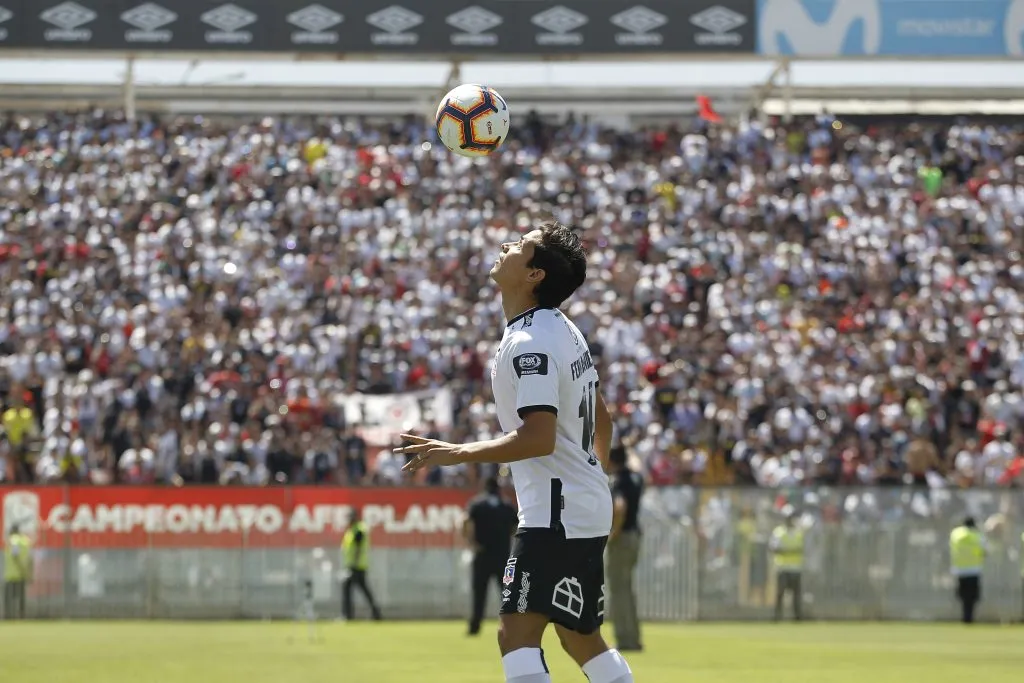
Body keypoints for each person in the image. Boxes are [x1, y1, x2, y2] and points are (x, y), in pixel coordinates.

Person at [398, 222, 635, 683]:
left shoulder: (532, 342)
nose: (507, 246)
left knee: (516, 635)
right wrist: (587, 480)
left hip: (555, 514)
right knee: (579, 636)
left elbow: (539, 437)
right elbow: (601, 418)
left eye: (521, 246)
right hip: (578, 506)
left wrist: (456, 452)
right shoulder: (563, 329)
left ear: (534, 275)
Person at [465, 476, 519, 636]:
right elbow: (517, 527)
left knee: (479, 592)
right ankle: (511, 626)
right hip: (503, 556)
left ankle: (475, 626)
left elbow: (466, 522)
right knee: (507, 592)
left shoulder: (477, 504)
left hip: (482, 554)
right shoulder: (506, 505)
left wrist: (472, 542)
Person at [605, 443, 644, 652]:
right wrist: (630, 447)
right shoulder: (636, 478)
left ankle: (625, 640)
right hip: (635, 535)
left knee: (618, 590)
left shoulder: (618, 481)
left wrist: (613, 532)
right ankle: (634, 637)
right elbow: (636, 463)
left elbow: (619, 507)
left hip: (622, 537)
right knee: (627, 589)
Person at [341, 507, 382, 621]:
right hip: (358, 566)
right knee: (364, 590)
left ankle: (348, 615)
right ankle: (376, 613)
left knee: (347, 588)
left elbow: (358, 548)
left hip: (356, 566)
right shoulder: (354, 529)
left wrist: (353, 564)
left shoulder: (358, 530)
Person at [770, 508, 804, 622]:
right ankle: (777, 616)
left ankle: (797, 617)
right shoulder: (779, 532)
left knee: (796, 595)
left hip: (795, 568)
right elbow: (774, 548)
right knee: (780, 594)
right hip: (782, 567)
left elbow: (803, 548)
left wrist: (788, 551)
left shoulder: (799, 532)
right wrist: (789, 551)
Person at [949, 516, 985, 624]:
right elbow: (985, 550)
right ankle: (969, 618)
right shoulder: (977, 535)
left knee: (963, 596)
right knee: (972, 597)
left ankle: (965, 617)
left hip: (959, 569)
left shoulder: (955, 534)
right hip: (974, 569)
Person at [3, 523, 33, 620]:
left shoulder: (14, 541)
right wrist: (27, 572)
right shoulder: (24, 541)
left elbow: (15, 555)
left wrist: (21, 568)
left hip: (11, 574)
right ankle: (21, 615)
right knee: (21, 598)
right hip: (21, 574)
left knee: (8, 598)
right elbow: (29, 558)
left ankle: (9, 615)